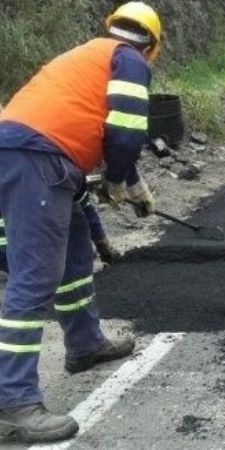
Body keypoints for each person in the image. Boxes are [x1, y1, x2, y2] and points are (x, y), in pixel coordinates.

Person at [0, 2, 161, 442]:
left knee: (73, 254)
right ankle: (12, 402)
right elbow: (126, 130)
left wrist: (132, 185)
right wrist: (116, 179)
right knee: (33, 279)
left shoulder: (92, 53)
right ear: (153, 47)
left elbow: (100, 127)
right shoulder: (129, 60)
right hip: (37, 158)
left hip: (35, 155)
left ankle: (85, 344)